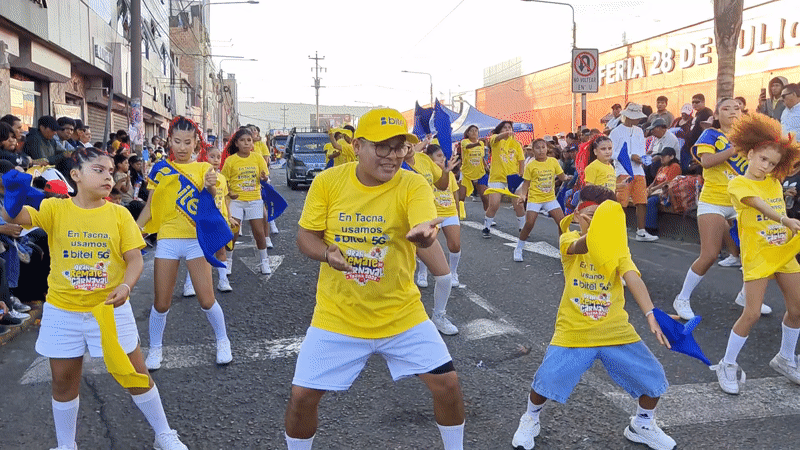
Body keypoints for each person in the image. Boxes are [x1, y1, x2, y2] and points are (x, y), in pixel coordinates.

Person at [284, 108, 465, 450]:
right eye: (383, 147)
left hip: (401, 314)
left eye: (400, 147)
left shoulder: (413, 184)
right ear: (357, 146)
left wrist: (425, 236)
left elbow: (424, 224)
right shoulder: (328, 182)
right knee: (302, 397)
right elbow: (306, 237)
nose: (393, 156)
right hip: (338, 316)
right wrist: (326, 254)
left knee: (448, 386)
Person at [1, 147, 188, 450]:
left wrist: (126, 287)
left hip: (110, 310)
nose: (108, 176)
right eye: (98, 170)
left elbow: (135, 259)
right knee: (63, 381)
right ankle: (66, 445)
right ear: (75, 175)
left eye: (110, 171)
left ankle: (164, 432)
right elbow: (15, 216)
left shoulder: (118, 214)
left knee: (134, 375)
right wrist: (14, 190)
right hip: (63, 311)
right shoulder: (55, 209)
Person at [511, 185, 675, 450]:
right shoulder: (567, 238)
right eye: (591, 214)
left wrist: (650, 314)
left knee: (653, 378)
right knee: (547, 380)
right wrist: (596, 230)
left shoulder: (617, 247)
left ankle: (642, 424)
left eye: (602, 216)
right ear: (577, 214)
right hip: (574, 330)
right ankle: (530, 418)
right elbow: (581, 244)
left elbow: (632, 276)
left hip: (614, 329)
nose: (597, 220)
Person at [712, 112, 800, 395]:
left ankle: (786, 357)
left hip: (784, 253)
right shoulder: (738, 184)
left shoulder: (774, 182)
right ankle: (727, 364)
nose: (767, 166)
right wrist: (784, 219)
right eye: (763, 159)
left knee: (798, 309)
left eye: (773, 163)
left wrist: (788, 226)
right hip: (758, 257)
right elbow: (758, 204)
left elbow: (774, 202)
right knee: (750, 314)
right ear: (750, 153)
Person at [137, 116, 233, 370]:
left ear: (196, 145)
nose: (181, 147)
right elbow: (150, 206)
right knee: (161, 302)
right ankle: (155, 349)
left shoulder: (204, 169)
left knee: (206, 299)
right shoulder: (159, 168)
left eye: (187, 142)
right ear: (169, 141)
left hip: (195, 241)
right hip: (167, 240)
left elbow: (213, 204)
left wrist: (212, 188)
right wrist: (135, 231)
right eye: (177, 141)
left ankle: (223, 341)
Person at [672, 98, 768, 320]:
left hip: (742, 200)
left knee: (756, 253)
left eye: (737, 108)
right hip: (714, 199)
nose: (733, 112)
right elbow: (706, 162)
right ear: (716, 114)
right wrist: (734, 149)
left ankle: (747, 296)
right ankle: (682, 298)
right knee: (709, 254)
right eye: (726, 108)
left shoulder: (751, 140)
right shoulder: (711, 135)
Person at [402, 139, 459, 335]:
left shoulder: (424, 161)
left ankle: (439, 316)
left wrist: (446, 170)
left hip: (422, 223)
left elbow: (442, 185)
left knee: (444, 277)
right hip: (393, 227)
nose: (408, 148)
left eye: (410, 144)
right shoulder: (390, 164)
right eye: (403, 145)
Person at [184, 146, 236, 293]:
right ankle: (189, 284)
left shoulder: (222, 178)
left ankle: (223, 280)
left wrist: (229, 217)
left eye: (218, 157)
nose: (215, 160)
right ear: (204, 157)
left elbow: (225, 200)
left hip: (218, 221)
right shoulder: (198, 175)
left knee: (221, 251)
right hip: (202, 220)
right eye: (211, 156)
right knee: (198, 253)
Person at [221, 127, 271, 275]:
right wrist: (229, 193)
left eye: (248, 140)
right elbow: (223, 182)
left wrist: (264, 178)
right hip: (236, 202)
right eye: (242, 140)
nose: (246, 143)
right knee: (233, 233)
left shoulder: (257, 158)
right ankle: (228, 262)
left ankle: (264, 261)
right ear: (236, 143)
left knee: (259, 232)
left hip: (255, 200)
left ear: (252, 143)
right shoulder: (231, 160)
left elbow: (265, 177)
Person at [513, 139, 569, 262]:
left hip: (550, 199)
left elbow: (562, 176)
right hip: (535, 199)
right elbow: (526, 183)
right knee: (529, 224)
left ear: (547, 148)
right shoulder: (531, 165)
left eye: (543, 147)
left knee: (562, 222)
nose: (541, 150)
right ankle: (518, 248)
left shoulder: (553, 161)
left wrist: (567, 178)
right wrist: (523, 196)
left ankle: (563, 249)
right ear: (533, 151)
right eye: (537, 148)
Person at [610, 103, 658, 242]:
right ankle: (619, 229)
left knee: (641, 200)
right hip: (623, 169)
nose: (637, 120)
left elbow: (641, 149)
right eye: (635, 117)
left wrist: (642, 159)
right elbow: (611, 152)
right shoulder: (616, 132)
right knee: (621, 201)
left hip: (638, 169)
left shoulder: (638, 131)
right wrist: (630, 156)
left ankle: (641, 231)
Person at [425, 144, 463, 289]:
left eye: (443, 156)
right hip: (432, 213)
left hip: (449, 212)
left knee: (455, 245)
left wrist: (457, 214)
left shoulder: (450, 175)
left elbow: (455, 193)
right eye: (438, 156)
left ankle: (453, 272)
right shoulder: (425, 174)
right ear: (429, 158)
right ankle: (422, 272)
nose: (442, 159)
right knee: (427, 243)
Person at [483, 121, 526, 238]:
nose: (507, 130)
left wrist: (520, 174)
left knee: (519, 205)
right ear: (500, 130)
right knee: (494, 204)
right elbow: (494, 138)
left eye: (509, 128)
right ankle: (486, 227)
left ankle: (523, 228)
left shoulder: (517, 144)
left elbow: (521, 160)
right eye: (504, 128)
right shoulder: (495, 140)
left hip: (513, 178)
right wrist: (504, 134)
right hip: (497, 178)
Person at [644, 148, 682, 233]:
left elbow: (668, 182)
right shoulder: (661, 168)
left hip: (667, 193)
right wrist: (649, 188)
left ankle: (651, 228)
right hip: (657, 191)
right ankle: (643, 227)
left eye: (664, 156)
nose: (662, 158)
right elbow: (655, 181)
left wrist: (653, 189)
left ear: (671, 157)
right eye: (661, 156)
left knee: (651, 201)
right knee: (643, 198)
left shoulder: (675, 166)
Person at [460, 125, 489, 212]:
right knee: (461, 197)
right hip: (466, 173)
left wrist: (486, 166)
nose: (474, 132)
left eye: (476, 131)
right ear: (467, 133)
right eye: (471, 131)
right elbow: (468, 147)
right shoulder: (464, 142)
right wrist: (477, 143)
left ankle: (488, 217)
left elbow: (482, 157)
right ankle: (457, 215)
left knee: (484, 196)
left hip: (480, 172)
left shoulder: (481, 144)